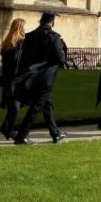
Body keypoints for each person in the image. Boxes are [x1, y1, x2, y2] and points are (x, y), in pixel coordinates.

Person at [13, 12, 67, 145]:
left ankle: (55, 134)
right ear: (52, 23)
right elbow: (61, 59)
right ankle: (22, 135)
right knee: (36, 106)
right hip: (46, 78)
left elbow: (24, 59)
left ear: (40, 21)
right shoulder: (54, 37)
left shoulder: (29, 36)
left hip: (31, 76)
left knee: (47, 105)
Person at [0, 18, 26, 140]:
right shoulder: (19, 43)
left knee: (13, 105)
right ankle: (9, 130)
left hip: (7, 78)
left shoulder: (6, 43)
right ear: (20, 28)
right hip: (15, 79)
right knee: (15, 106)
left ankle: (6, 127)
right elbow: (17, 62)